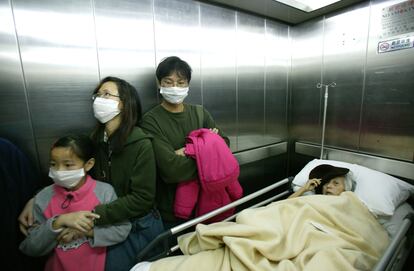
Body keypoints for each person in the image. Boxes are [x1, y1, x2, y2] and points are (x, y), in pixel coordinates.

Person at [18, 76, 164, 271]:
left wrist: (91, 218)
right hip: (107, 223)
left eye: (106, 94)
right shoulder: (95, 140)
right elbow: (72, 171)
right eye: (97, 94)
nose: (98, 99)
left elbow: (142, 198)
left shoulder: (141, 144)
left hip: (138, 225)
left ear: (123, 103)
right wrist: (36, 198)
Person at [140, 56, 230, 229]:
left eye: (181, 83)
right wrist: (208, 148)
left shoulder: (199, 113)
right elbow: (172, 169)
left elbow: (225, 146)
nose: (175, 88)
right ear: (159, 84)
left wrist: (188, 151)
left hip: (208, 205)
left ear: (188, 85)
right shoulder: (151, 121)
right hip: (172, 212)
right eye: (168, 82)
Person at [19, 135, 131, 271]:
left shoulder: (104, 192)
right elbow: (30, 247)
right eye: (53, 164)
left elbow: (122, 229)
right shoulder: (43, 198)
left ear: (88, 164)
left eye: (68, 165)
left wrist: (87, 232)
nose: (59, 171)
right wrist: (58, 222)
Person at [288, 164, 353, 198]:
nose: (329, 186)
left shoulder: (349, 205)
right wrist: (303, 189)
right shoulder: (313, 199)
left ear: (345, 190)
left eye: (336, 183)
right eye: (326, 182)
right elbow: (284, 205)